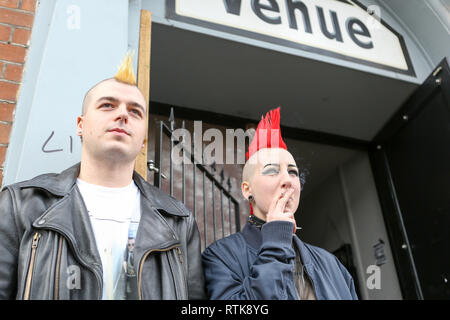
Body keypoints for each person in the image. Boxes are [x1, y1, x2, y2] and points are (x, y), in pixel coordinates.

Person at [0, 53, 205, 300]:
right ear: (80, 125)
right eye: (108, 105)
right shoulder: (21, 204)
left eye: (135, 111)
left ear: (144, 140)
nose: (122, 115)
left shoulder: (178, 221)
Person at [201, 107, 358, 300]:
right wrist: (275, 241)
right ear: (246, 189)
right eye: (272, 171)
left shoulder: (331, 263)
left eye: (293, 172)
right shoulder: (221, 257)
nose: (288, 180)